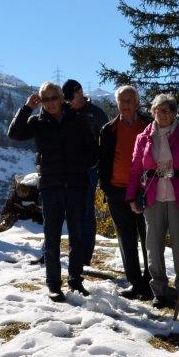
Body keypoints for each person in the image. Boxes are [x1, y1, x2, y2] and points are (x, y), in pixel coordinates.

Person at [8, 81, 97, 301]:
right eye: (45, 99)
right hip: (50, 187)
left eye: (54, 97)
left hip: (76, 186)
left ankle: (75, 281)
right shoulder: (37, 122)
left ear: (61, 97)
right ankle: (53, 284)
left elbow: (93, 150)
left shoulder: (77, 119)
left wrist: (79, 166)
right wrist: (27, 108)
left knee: (77, 236)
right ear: (41, 102)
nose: (50, 103)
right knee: (51, 238)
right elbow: (14, 133)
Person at [127, 94, 179, 307]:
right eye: (158, 110)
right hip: (153, 196)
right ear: (153, 112)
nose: (162, 114)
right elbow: (135, 170)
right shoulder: (143, 138)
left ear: (174, 113)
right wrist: (131, 196)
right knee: (153, 245)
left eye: (166, 110)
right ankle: (159, 291)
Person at [98, 85, 153, 300]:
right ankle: (135, 283)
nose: (126, 104)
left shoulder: (149, 125)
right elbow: (103, 162)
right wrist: (106, 188)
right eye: (122, 100)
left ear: (137, 102)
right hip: (117, 192)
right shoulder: (109, 130)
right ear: (117, 103)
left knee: (148, 238)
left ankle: (151, 282)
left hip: (144, 190)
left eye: (130, 100)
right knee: (126, 240)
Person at [62, 79, 109, 267]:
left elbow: (107, 143)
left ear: (79, 91)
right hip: (68, 171)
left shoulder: (96, 114)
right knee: (69, 211)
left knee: (87, 212)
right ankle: (72, 252)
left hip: (89, 171)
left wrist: (100, 166)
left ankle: (85, 256)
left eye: (70, 98)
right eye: (66, 99)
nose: (68, 102)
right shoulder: (65, 112)